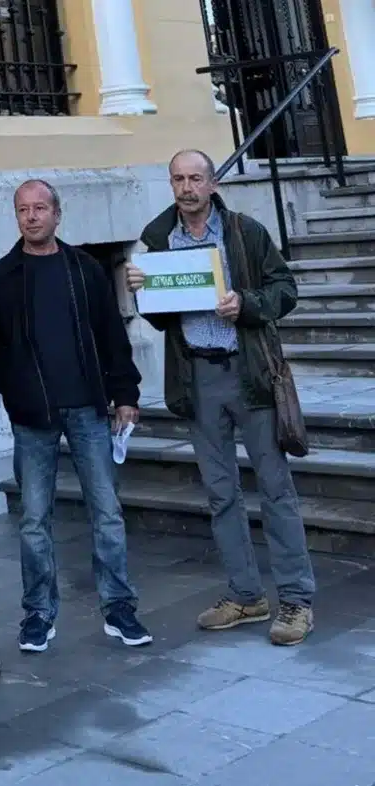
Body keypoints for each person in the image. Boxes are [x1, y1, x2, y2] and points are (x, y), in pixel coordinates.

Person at [125, 148, 315, 646]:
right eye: (178, 179)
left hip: (249, 373)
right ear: (171, 185)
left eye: (195, 178)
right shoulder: (156, 241)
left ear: (212, 184)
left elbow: (286, 289)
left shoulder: (244, 231)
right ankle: (246, 594)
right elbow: (160, 315)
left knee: (275, 488)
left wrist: (246, 304)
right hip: (197, 377)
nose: (187, 188)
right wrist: (140, 291)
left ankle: (296, 599)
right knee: (220, 493)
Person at [0, 179, 152, 654]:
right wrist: (11, 386)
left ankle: (119, 606)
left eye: (39, 208)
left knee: (107, 512)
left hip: (89, 408)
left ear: (57, 213)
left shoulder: (85, 269)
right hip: (33, 416)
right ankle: (38, 612)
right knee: (34, 519)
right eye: (23, 210)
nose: (31, 217)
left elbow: (112, 335)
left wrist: (125, 393)